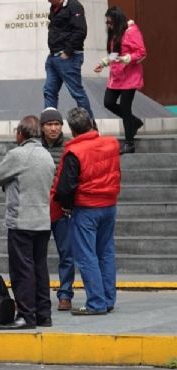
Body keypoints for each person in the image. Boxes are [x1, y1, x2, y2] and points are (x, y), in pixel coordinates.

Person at [51, 107, 120, 316]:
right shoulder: (112, 144)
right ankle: (108, 299)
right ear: (91, 124)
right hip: (109, 205)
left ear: (72, 129)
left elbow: (65, 187)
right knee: (106, 253)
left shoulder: (74, 152)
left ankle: (96, 303)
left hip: (86, 208)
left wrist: (66, 207)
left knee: (86, 256)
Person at [0, 116, 56, 330]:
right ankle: (43, 314)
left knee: (22, 270)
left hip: (22, 221)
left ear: (21, 133)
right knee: (40, 268)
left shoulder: (18, 155)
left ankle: (26, 315)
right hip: (43, 222)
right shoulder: (46, 155)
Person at [95, 7, 146, 154]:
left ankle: (129, 143)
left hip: (130, 75)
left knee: (125, 107)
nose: (108, 25)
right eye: (107, 22)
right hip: (117, 75)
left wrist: (126, 58)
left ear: (117, 20)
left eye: (110, 22)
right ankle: (134, 122)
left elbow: (141, 52)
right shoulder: (116, 32)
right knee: (108, 102)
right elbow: (114, 52)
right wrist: (103, 63)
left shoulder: (132, 31)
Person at [39, 107, 75, 312]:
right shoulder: (35, 147)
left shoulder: (70, 147)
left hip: (62, 208)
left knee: (67, 254)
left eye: (56, 124)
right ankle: (38, 294)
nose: (53, 128)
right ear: (42, 127)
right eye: (49, 124)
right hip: (40, 207)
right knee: (37, 255)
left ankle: (65, 294)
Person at [43, 0, 93, 119]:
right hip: (53, 56)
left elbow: (80, 31)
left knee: (76, 92)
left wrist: (67, 52)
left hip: (68, 57)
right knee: (49, 91)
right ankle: (49, 124)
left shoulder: (74, 6)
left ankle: (90, 128)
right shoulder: (55, 7)